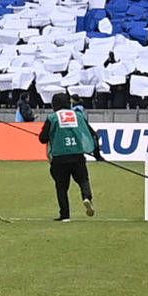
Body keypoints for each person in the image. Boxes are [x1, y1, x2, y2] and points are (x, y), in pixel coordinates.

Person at [41, 93, 97, 221]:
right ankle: (86, 197)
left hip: (59, 158)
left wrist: (51, 136)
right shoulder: (78, 116)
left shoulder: (52, 118)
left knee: (61, 187)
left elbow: (42, 138)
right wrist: (97, 154)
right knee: (83, 180)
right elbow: (91, 134)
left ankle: (65, 215)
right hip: (77, 155)